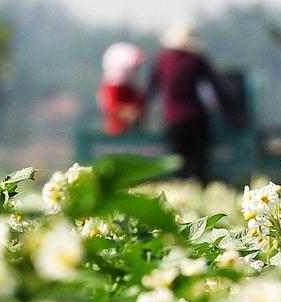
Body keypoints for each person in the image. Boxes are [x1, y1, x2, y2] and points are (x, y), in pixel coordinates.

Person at [143, 21, 230, 182]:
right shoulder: (197, 61)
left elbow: (151, 89)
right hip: (197, 117)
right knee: (198, 164)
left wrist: (141, 112)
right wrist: (232, 110)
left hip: (173, 119)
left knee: (176, 163)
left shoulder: (161, 60)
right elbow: (216, 87)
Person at [98, 42, 145, 136]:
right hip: (116, 133)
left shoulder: (130, 87)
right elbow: (113, 108)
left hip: (131, 133)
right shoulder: (111, 86)